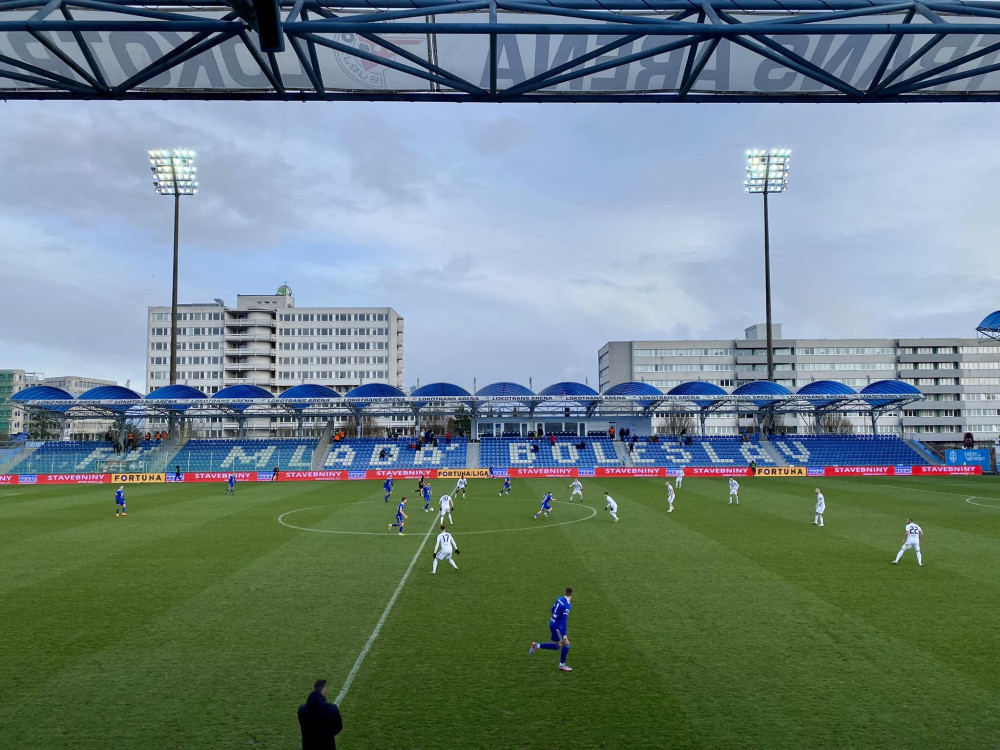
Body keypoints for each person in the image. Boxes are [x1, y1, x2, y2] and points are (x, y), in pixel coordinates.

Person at [528, 587, 574, 672]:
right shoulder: (567, 605)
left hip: (552, 622)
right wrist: (564, 634)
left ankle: (536, 645)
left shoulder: (560, 598)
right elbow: (564, 620)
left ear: (565, 592)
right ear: (572, 594)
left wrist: (554, 618)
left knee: (557, 646)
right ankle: (562, 665)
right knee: (566, 644)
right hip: (557, 626)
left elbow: (552, 609)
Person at [298, 679, 343, 750]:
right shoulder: (332, 708)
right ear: (324, 692)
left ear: (314, 690)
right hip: (327, 745)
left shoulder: (301, 709)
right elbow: (338, 728)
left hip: (308, 746)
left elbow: (303, 725)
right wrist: (327, 733)